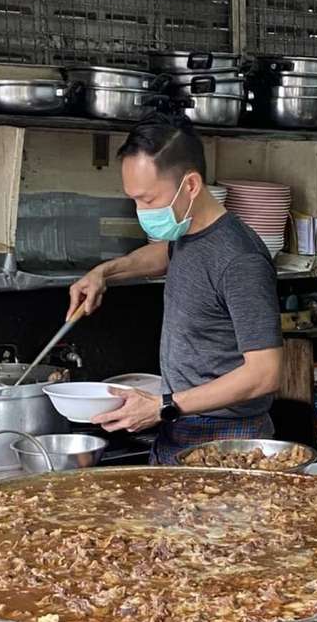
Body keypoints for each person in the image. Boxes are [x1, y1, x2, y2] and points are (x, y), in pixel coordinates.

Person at [67, 113, 283, 464]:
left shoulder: (241, 260)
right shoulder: (188, 233)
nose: (141, 211)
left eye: (149, 200)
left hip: (229, 443)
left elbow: (264, 373)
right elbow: (166, 255)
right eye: (134, 200)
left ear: (192, 185)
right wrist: (104, 273)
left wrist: (164, 405)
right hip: (180, 428)